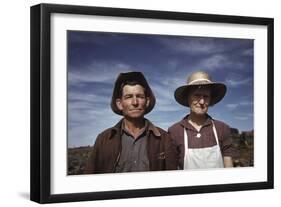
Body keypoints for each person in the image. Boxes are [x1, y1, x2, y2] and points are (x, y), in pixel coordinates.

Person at [86, 71, 177, 174]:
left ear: (146, 102)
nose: (135, 102)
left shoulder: (164, 138)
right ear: (119, 104)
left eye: (140, 96)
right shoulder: (104, 139)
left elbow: (172, 179)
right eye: (128, 97)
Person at [168, 71, 234, 170]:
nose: (202, 102)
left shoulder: (222, 128)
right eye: (197, 95)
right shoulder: (174, 131)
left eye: (206, 96)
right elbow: (171, 169)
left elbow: (229, 166)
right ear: (188, 97)